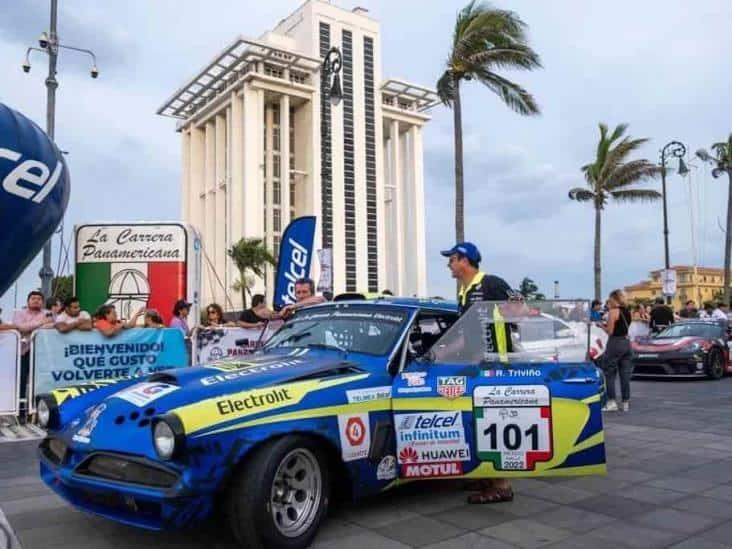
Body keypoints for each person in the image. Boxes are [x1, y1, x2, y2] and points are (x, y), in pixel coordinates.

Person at [441, 241, 515, 505]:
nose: (448, 264)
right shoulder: (463, 292)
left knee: (495, 423)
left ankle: (502, 485)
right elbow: (466, 335)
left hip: (497, 366)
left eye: (451, 259)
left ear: (464, 260)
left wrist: (503, 317)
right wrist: (440, 353)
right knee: (481, 422)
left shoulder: (490, 282)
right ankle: (487, 477)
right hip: (477, 368)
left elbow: (521, 307)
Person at [13, 291, 54, 414]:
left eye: (39, 299)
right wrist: (40, 323)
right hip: (23, 352)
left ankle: (39, 409)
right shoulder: (19, 314)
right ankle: (20, 410)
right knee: (22, 380)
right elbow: (20, 327)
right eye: (33, 298)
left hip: (42, 352)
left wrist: (32, 327)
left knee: (41, 380)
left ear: (42, 301)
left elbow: (52, 326)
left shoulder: (48, 313)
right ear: (28, 301)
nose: (36, 300)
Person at [601, 289, 633, 412]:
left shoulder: (613, 311)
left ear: (614, 299)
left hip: (615, 343)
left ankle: (612, 402)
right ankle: (625, 402)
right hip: (626, 343)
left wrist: (601, 326)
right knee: (624, 374)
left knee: (609, 372)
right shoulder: (627, 311)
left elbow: (610, 331)